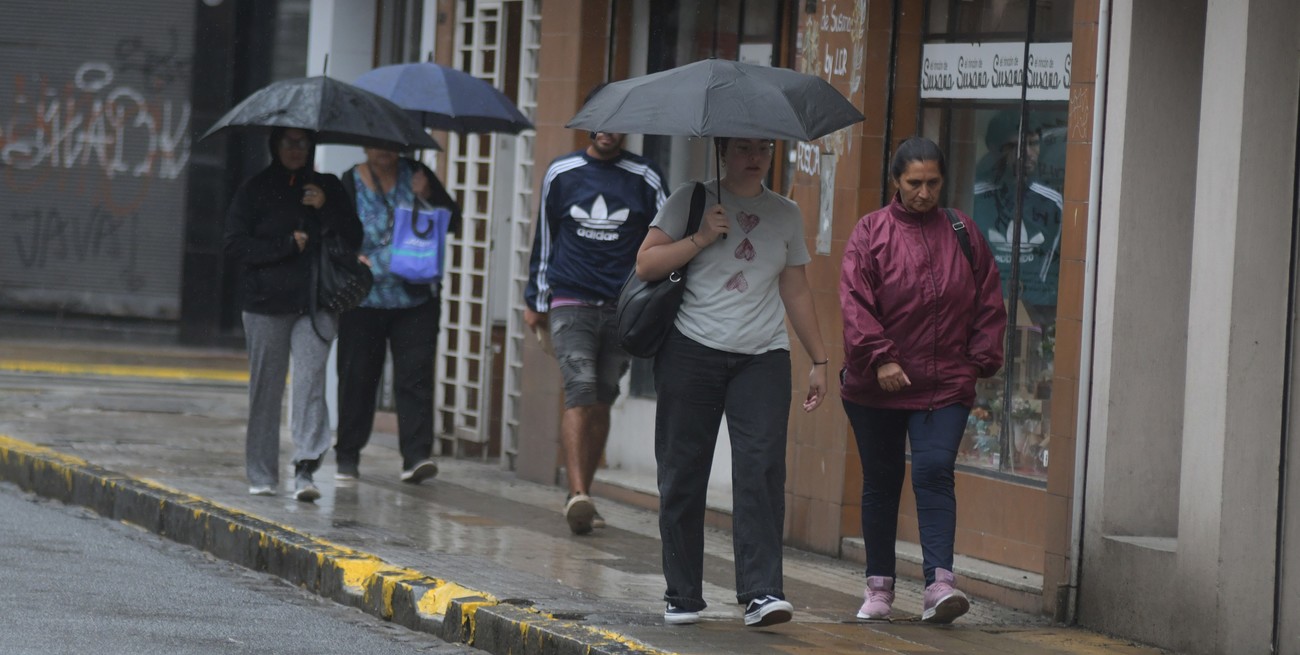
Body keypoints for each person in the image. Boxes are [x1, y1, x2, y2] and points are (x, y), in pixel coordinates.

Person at [636, 137, 829, 628]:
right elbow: (647, 263)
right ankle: (682, 593)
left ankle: (762, 592)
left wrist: (820, 359)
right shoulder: (691, 199)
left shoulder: (786, 213)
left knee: (761, 468)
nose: (754, 156)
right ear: (723, 151)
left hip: (761, 358)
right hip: (690, 351)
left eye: (763, 147)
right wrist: (700, 237)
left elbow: (796, 287)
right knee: (683, 472)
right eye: (743, 147)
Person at [839, 137, 1006, 624]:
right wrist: (881, 358)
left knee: (934, 472)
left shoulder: (962, 232)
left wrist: (976, 360)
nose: (924, 192)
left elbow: (989, 299)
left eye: (933, 182)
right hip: (877, 386)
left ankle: (940, 585)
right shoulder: (870, 233)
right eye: (914, 183)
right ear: (896, 181)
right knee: (883, 481)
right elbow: (855, 303)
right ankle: (879, 589)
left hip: (944, 384)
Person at [523, 128, 666, 535]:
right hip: (570, 300)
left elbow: (666, 233)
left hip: (624, 306)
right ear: (589, 126)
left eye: (617, 124)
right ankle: (577, 493)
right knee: (580, 389)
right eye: (601, 122)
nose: (609, 131)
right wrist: (535, 298)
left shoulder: (646, 176)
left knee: (603, 398)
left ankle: (586, 497)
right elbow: (545, 237)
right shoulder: (562, 172)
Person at [224, 127, 362, 502]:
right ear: (275, 145)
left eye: (303, 143)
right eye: (288, 142)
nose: (296, 150)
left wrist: (326, 208)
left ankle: (305, 467)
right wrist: (285, 245)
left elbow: (353, 237)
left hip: (316, 303)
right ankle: (262, 473)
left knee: (310, 382)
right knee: (266, 389)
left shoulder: (327, 187)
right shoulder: (254, 189)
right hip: (265, 304)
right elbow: (235, 244)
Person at [333, 147, 462, 483]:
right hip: (363, 298)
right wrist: (350, 258)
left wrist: (427, 196)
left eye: (389, 144)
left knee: (415, 377)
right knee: (357, 377)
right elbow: (334, 232)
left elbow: (453, 220)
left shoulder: (418, 174)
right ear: (364, 146)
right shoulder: (350, 180)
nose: (383, 152)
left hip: (415, 298)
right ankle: (347, 454)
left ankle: (416, 456)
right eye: (375, 144)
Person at [972, 111, 1062, 328]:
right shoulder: (976, 198)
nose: (1026, 153)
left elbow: (1053, 262)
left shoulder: (1052, 203)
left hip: (1037, 311)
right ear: (995, 150)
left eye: (1033, 144)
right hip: (981, 308)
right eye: (1015, 146)